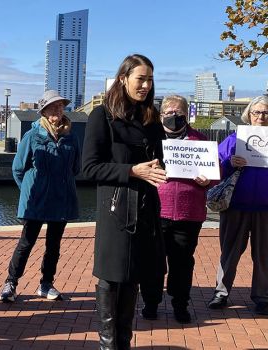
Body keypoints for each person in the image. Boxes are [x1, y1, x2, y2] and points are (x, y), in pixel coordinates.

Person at [81, 54, 167, 350]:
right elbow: (89, 167)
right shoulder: (102, 116)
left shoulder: (152, 119)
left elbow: (160, 164)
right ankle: (108, 344)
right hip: (116, 209)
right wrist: (131, 170)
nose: (145, 85)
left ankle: (123, 343)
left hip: (145, 208)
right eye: (140, 79)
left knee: (134, 279)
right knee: (111, 276)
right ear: (123, 79)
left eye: (150, 80)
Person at [0, 90, 80, 303]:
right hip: (36, 201)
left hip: (61, 200)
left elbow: (76, 168)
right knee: (26, 242)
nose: (58, 110)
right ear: (43, 111)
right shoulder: (32, 136)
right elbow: (18, 169)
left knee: (54, 245)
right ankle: (11, 282)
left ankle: (46, 284)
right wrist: (29, 191)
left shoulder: (71, 136)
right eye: (53, 107)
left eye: (61, 106)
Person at [139, 95, 212, 323]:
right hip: (155, 210)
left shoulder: (200, 141)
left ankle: (180, 304)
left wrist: (207, 181)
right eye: (168, 112)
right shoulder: (151, 139)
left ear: (186, 114)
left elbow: (214, 174)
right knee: (152, 262)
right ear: (161, 115)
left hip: (189, 213)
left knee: (182, 263)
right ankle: (151, 303)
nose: (173, 116)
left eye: (178, 113)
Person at [207, 95, 268, 314]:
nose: (261, 116)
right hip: (236, 205)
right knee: (229, 251)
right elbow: (214, 167)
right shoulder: (235, 139)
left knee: (264, 255)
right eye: (256, 112)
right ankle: (221, 293)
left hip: (266, 208)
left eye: (265, 112)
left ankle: (263, 297)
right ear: (249, 115)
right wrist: (229, 162)